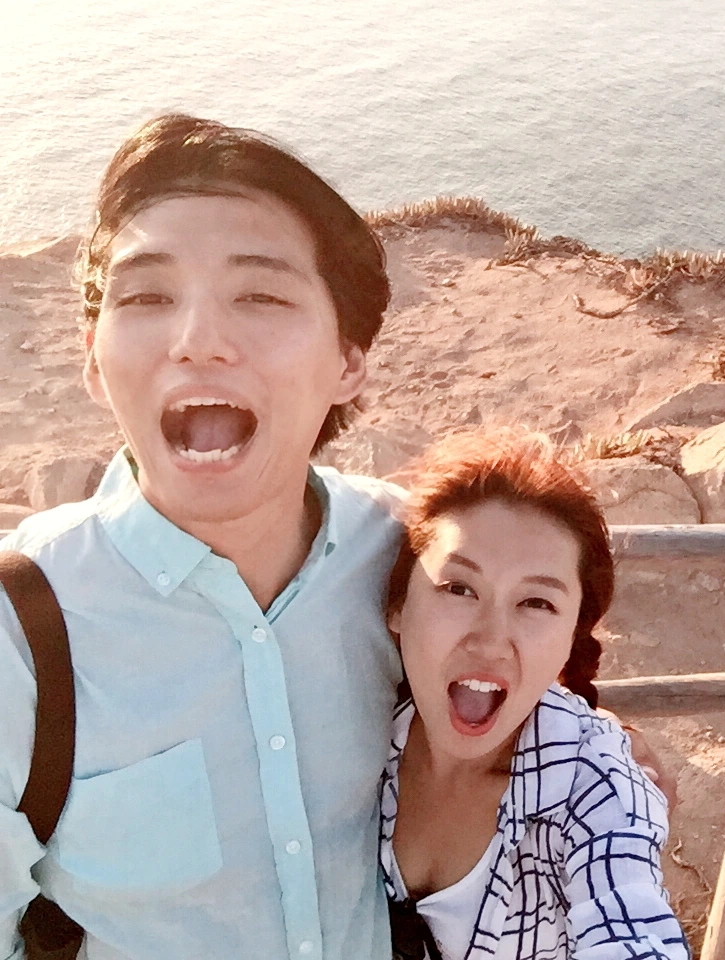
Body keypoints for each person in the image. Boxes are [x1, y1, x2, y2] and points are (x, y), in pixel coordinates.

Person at [0, 114, 669, 960]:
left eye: (261, 296)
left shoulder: (407, 555)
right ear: (94, 361)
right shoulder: (22, 636)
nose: (198, 340)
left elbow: (509, 671)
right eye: (146, 297)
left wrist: (606, 755)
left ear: (350, 361)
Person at [380, 430, 688, 960]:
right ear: (398, 608)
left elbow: (631, 925)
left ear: (572, 636)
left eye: (536, 603)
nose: (490, 641)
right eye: (459, 589)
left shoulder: (594, 787)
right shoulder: (353, 729)